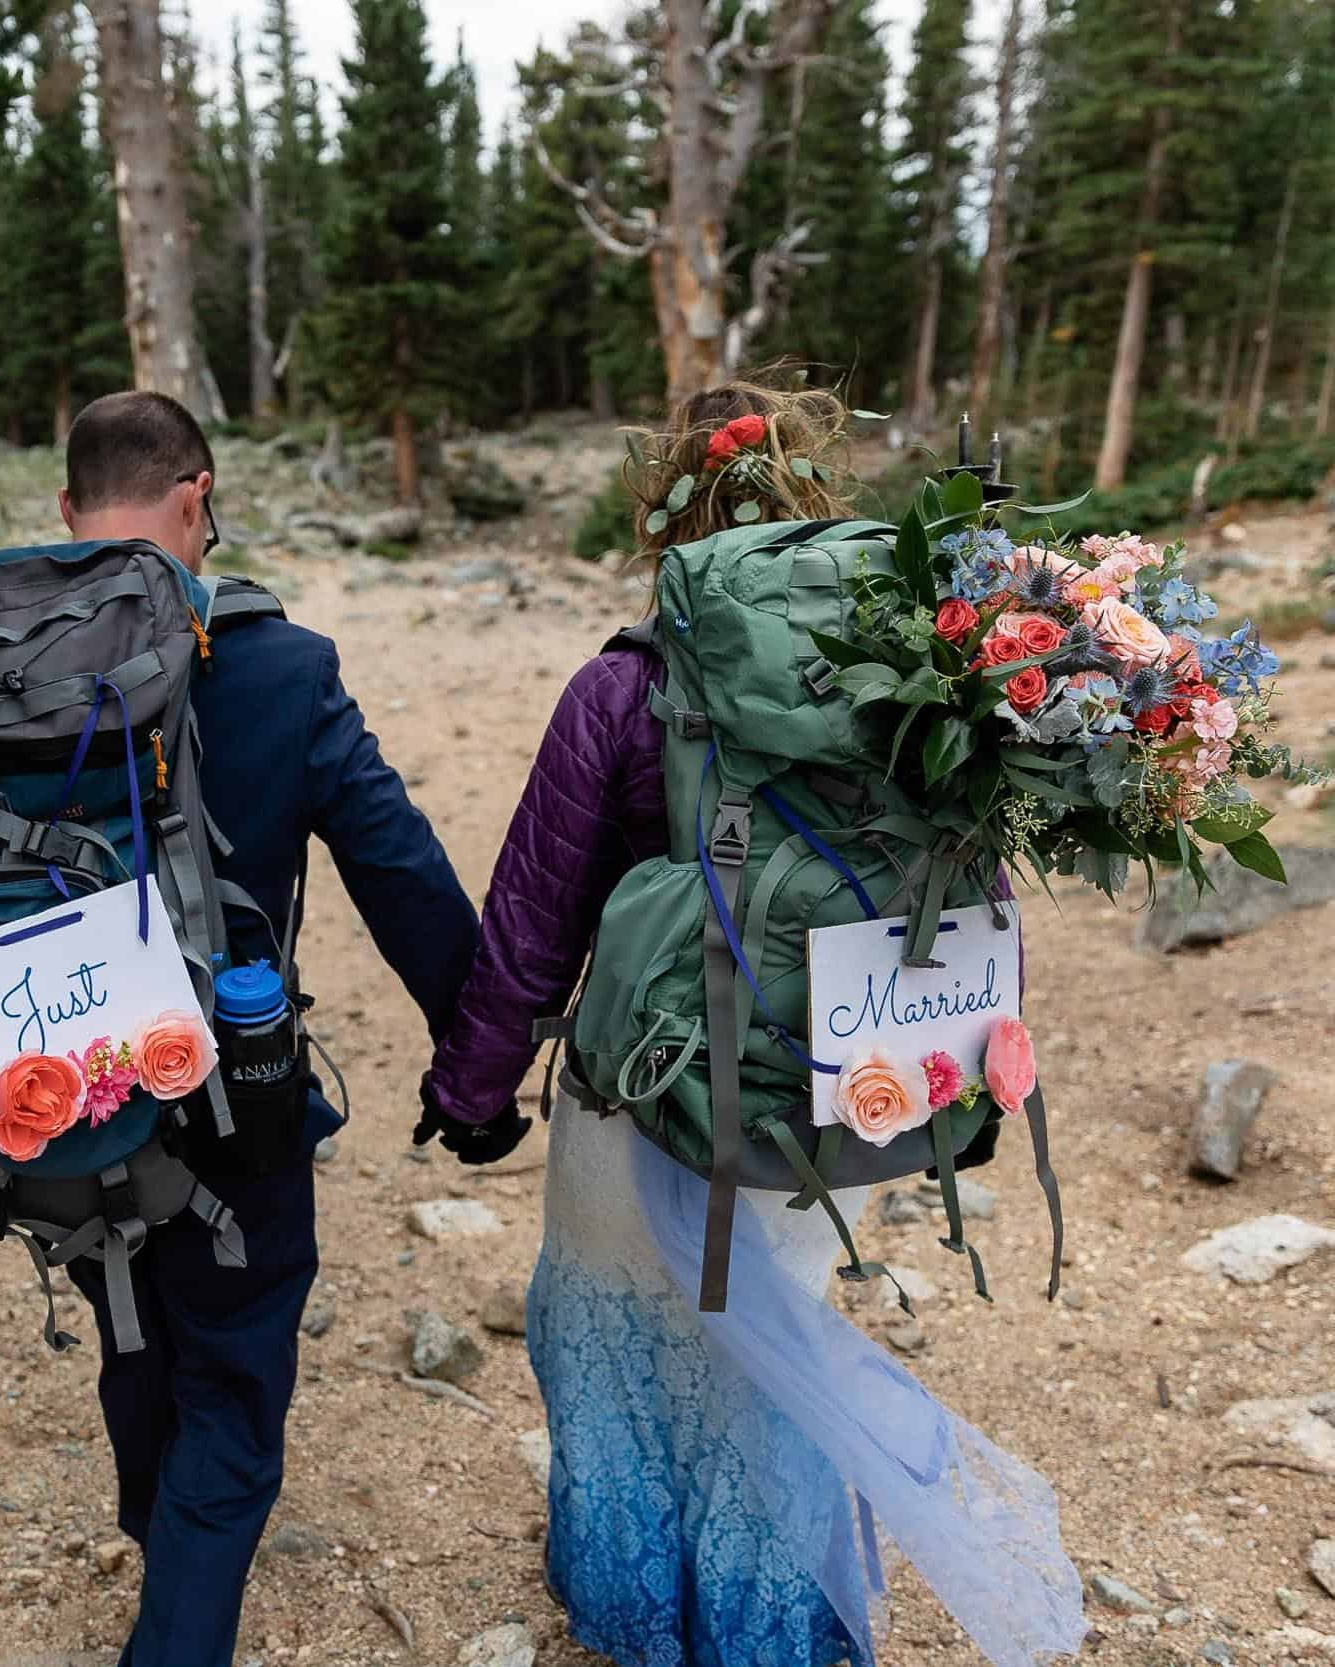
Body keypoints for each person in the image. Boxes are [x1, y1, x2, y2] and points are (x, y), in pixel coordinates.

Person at [0, 390, 518, 1667]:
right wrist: (471, 1063)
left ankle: (167, 1540)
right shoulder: (279, 665)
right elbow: (400, 870)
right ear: (199, 496)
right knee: (235, 1360)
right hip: (227, 1084)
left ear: (65, 513)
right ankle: (181, 1620)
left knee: (128, 1301)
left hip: (27, 1082)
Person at [421, 377, 1084, 1667]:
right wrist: (953, 1063)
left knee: (610, 1333)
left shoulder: (618, 690)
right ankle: (773, 1623)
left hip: (644, 1094)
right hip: (829, 1085)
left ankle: (636, 1612)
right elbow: (971, 888)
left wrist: (470, 1092)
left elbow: (532, 922)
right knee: (768, 1353)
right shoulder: (913, 682)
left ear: (663, 509)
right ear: (814, 497)